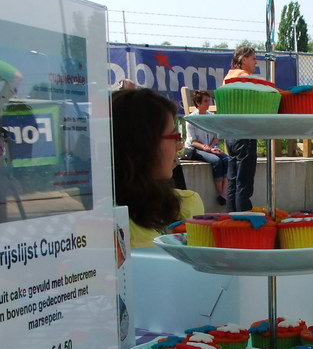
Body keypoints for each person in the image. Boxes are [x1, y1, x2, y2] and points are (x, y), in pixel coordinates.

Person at [111, 87, 204, 248]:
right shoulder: (108, 223)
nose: (180, 146)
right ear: (143, 144)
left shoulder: (188, 204)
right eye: (174, 136)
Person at [224, 45, 259, 211]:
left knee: (232, 182)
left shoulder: (228, 76)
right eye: (253, 59)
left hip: (230, 134)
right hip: (244, 132)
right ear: (243, 60)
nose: (256, 62)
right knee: (244, 183)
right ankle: (244, 218)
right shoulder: (244, 78)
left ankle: (231, 218)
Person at [184, 89, 229, 205]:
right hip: (197, 149)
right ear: (198, 103)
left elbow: (216, 136)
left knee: (228, 160)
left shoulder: (211, 117)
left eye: (209, 100)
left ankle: (224, 193)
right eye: (205, 101)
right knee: (216, 161)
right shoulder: (191, 119)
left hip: (210, 147)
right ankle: (221, 193)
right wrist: (205, 148)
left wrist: (212, 147)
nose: (208, 103)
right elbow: (193, 141)